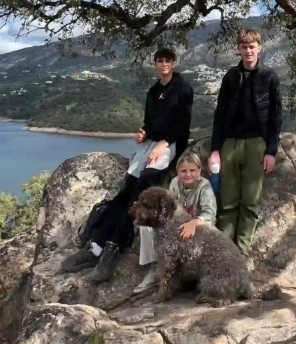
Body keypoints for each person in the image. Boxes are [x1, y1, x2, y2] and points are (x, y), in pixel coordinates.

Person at [61, 46, 193, 282]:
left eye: (168, 61)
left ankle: (113, 250)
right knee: (125, 191)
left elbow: (184, 125)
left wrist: (166, 144)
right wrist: (143, 134)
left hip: (169, 144)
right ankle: (95, 248)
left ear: (173, 64)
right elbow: (149, 122)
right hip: (150, 143)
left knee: (141, 192)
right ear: (155, 64)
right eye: (160, 60)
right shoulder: (153, 91)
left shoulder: (183, 88)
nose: (164, 64)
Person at [208, 28, 282, 258]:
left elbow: (276, 117)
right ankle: (223, 253)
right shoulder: (231, 76)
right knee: (227, 201)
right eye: (244, 47)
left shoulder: (270, 77)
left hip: (256, 143)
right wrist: (215, 150)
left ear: (260, 48)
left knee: (250, 202)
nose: (248, 50)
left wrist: (271, 151)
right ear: (238, 49)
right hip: (231, 142)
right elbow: (220, 114)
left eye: (252, 46)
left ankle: (240, 254)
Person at [169, 150, 218, 238]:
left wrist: (194, 223)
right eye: (183, 171)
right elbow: (169, 207)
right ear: (177, 171)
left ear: (199, 171)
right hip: (179, 225)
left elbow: (210, 214)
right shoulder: (175, 182)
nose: (188, 174)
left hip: (200, 228)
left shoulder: (204, 185)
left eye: (192, 170)